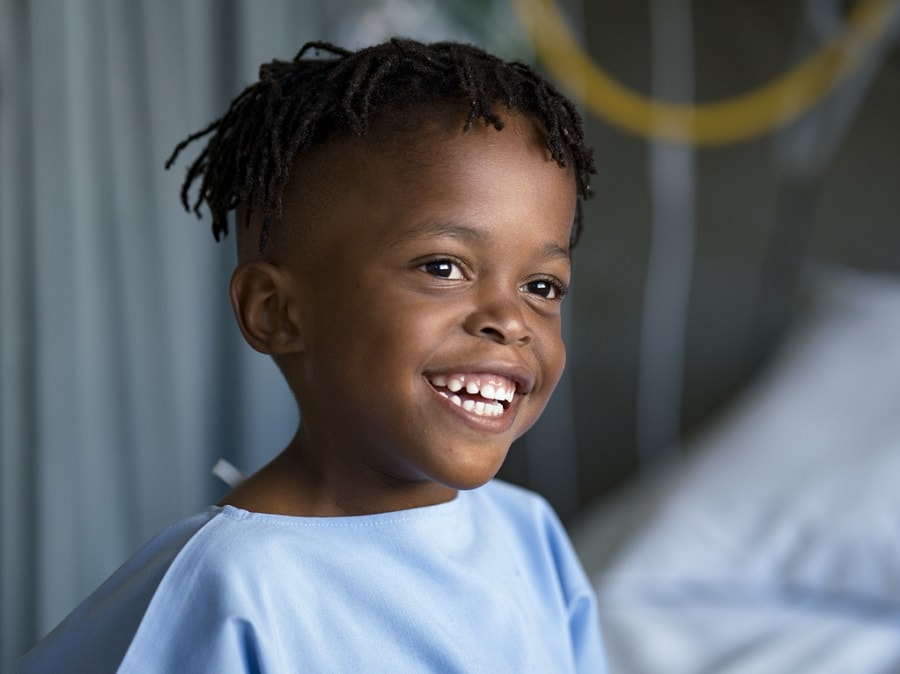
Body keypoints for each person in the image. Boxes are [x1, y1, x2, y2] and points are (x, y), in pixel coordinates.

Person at [21, 38, 606, 672]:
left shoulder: (530, 537)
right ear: (277, 312)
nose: (510, 320)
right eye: (443, 267)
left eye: (541, 287)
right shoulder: (231, 587)